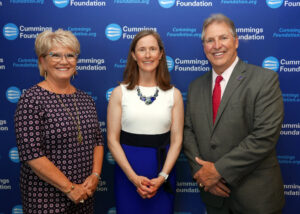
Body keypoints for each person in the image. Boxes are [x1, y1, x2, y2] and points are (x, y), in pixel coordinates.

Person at [183, 14, 285, 214]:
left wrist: (218, 171)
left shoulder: (264, 80)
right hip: (214, 198)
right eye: (209, 40)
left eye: (223, 38)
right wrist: (203, 175)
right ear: (204, 47)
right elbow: (188, 132)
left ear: (236, 41)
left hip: (256, 200)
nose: (216, 45)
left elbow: (264, 136)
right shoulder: (195, 87)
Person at [14, 29, 104, 214]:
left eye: (70, 55)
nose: (64, 61)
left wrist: (95, 176)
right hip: (46, 200)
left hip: (84, 196)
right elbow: (32, 154)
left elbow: (97, 142)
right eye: (55, 55)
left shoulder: (85, 100)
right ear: (42, 61)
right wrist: (70, 188)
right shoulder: (31, 99)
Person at [107, 30, 184, 214]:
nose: (148, 55)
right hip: (128, 174)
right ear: (134, 55)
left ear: (160, 54)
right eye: (142, 49)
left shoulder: (174, 94)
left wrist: (162, 177)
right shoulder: (119, 93)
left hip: (162, 173)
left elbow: (177, 141)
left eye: (152, 49)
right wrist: (134, 178)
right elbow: (112, 140)